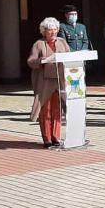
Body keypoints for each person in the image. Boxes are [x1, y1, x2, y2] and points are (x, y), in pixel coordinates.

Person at [27, 17, 70, 148]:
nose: (53, 33)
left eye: (55, 30)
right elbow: (30, 61)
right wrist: (41, 60)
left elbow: (69, 56)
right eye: (50, 30)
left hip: (59, 80)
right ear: (44, 31)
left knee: (57, 110)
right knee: (46, 110)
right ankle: (47, 139)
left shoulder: (62, 42)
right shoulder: (38, 44)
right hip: (44, 81)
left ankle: (56, 137)